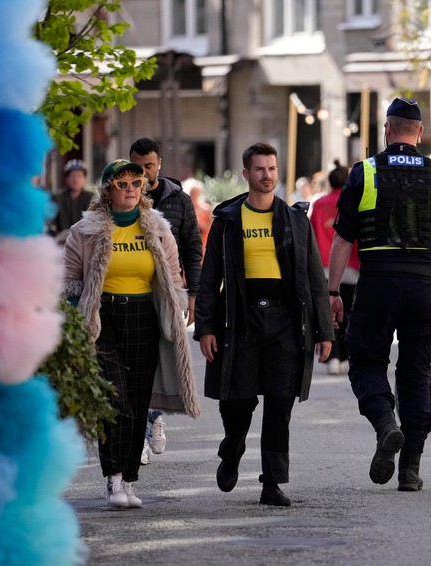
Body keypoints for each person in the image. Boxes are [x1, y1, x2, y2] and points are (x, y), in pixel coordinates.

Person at [327, 97, 431, 492]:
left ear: (387, 130)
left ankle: (384, 423)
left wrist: (332, 291)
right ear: (420, 133)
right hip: (425, 286)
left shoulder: (365, 172)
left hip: (377, 281)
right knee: (415, 372)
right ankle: (410, 467)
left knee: (365, 358)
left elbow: (343, 239)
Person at [194, 142, 334, 507]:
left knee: (279, 404)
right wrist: (206, 327)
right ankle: (232, 447)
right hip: (240, 318)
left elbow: (314, 278)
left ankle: (272, 482)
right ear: (246, 174)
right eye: (259, 169)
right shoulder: (229, 220)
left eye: (272, 169)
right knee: (236, 401)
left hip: (285, 320)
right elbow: (210, 279)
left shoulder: (294, 220)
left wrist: (324, 332)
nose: (267, 175)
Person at [63, 159, 199, 509]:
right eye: (121, 184)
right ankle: (113, 479)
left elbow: (171, 274)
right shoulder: (86, 230)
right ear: (107, 190)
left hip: (144, 317)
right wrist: (78, 312)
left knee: (138, 402)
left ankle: (130, 479)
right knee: (115, 401)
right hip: (102, 317)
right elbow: (70, 281)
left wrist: (178, 306)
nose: (129, 190)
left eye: (135, 183)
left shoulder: (157, 228)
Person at [129, 138, 204, 464]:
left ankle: (153, 416)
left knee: (160, 358)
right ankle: (138, 432)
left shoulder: (179, 200)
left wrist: (194, 294)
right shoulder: (124, 196)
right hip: (131, 290)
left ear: (159, 164)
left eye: (149, 166)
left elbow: (192, 248)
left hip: (167, 292)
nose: (143, 173)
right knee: (133, 362)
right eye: (137, 166)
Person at [310, 160, 357, 375]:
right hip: (351, 264)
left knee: (328, 313)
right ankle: (347, 355)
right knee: (348, 312)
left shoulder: (319, 204)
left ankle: (333, 356)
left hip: (325, 266)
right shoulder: (353, 200)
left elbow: (310, 234)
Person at [49, 159, 93, 244]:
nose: (75, 179)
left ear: (85, 179)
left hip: (85, 243)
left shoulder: (92, 198)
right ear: (66, 178)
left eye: (79, 176)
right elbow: (49, 222)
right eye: (72, 175)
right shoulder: (56, 198)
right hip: (61, 243)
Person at [184, 177, 212, 247]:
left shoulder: (206, 209)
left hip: (204, 245)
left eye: (196, 193)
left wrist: (201, 225)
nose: (194, 195)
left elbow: (212, 228)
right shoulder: (184, 209)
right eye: (192, 193)